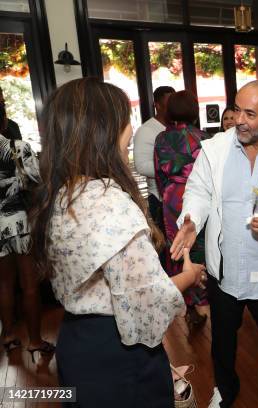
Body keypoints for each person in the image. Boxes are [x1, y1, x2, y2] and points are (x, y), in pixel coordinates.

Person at [29, 78, 204, 407]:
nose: (130, 132)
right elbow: (146, 300)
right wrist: (192, 275)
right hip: (117, 351)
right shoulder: (109, 201)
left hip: (76, 342)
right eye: (125, 119)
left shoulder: (62, 194)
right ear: (104, 130)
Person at [170, 80, 258, 408]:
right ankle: (224, 389)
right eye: (236, 109)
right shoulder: (215, 149)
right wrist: (191, 219)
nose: (239, 120)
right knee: (222, 339)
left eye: (250, 113)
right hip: (226, 267)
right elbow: (198, 191)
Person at [154, 90, 209, 331]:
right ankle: (203, 298)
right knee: (198, 246)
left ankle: (184, 299)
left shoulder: (161, 139)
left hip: (172, 198)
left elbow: (159, 175)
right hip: (198, 198)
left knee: (176, 248)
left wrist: (168, 194)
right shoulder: (204, 138)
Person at [0, 133, 54, 362]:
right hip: (21, 222)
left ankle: (9, 334)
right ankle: (35, 341)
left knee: (4, 284)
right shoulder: (18, 148)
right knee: (29, 284)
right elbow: (37, 184)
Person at [134, 85, 175, 231]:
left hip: (178, 197)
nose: (172, 107)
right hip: (159, 200)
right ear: (157, 105)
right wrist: (175, 168)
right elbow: (141, 165)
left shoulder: (176, 127)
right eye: (168, 103)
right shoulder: (146, 131)